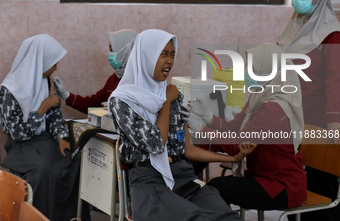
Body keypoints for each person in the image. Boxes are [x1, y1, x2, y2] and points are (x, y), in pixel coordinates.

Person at [108, 29, 255, 221]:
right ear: (146, 56)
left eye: (172, 55)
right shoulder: (123, 101)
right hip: (149, 182)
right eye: (163, 54)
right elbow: (155, 143)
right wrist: (166, 103)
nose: (169, 61)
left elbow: (188, 149)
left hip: (182, 177)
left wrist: (234, 158)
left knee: (226, 217)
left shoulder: (172, 94)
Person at [182, 43, 307, 211]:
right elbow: (235, 127)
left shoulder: (275, 108)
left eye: (254, 69)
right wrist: (207, 117)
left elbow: (236, 145)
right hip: (264, 177)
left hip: (280, 187)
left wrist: (199, 128)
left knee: (216, 188)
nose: (248, 73)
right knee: (204, 153)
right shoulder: (261, 94)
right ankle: (181, 192)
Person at [0, 34, 89, 221]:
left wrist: (61, 138)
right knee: (43, 172)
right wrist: (42, 108)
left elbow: (55, 116)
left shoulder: (45, 80)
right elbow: (17, 133)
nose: (55, 68)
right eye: (53, 63)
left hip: (46, 141)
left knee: (75, 159)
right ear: (39, 61)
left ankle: (71, 218)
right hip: (21, 146)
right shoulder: (9, 90)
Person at [277, 0, 340, 220]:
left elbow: (336, 79)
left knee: (319, 184)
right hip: (290, 118)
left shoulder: (331, 33)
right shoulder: (292, 29)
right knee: (295, 184)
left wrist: (334, 120)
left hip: (318, 121)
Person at [54, 29, 137, 113]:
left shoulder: (138, 81)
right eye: (110, 49)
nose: (110, 54)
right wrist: (66, 95)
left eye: (112, 49)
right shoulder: (114, 78)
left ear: (124, 51)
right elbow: (93, 103)